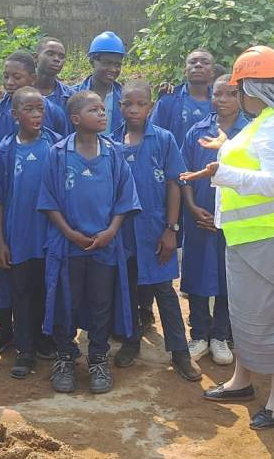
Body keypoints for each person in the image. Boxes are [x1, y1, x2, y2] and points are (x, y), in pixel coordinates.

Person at [182, 45, 274, 430]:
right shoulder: (267, 121)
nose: (237, 94)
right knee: (248, 314)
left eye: (239, 87)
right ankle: (241, 382)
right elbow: (255, 157)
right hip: (251, 237)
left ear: (254, 88)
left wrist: (221, 173)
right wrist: (225, 149)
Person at [38, 91, 141, 395]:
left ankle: (98, 359)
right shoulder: (58, 154)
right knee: (66, 303)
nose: (101, 113)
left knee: (100, 304)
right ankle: (65, 358)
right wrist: (69, 232)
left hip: (105, 245)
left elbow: (126, 197)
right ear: (75, 119)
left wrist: (111, 230)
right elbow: (48, 200)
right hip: (69, 246)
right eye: (93, 110)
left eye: (102, 109)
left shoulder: (114, 153)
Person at [110, 81, 202, 382]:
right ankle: (132, 340)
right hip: (123, 233)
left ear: (151, 107)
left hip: (156, 230)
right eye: (127, 104)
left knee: (164, 290)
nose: (133, 109)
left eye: (140, 104)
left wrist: (171, 229)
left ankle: (179, 353)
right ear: (120, 106)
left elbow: (175, 183)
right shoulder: (111, 142)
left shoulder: (163, 139)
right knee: (129, 288)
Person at [0, 51, 69, 357]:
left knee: (43, 279)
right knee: (5, 272)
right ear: (15, 116)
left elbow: (65, 156)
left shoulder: (54, 116)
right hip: (11, 217)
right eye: (5, 76)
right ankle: (6, 330)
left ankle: (42, 337)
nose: (8, 82)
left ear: (31, 79)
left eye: (16, 77)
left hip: (46, 224)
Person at [180, 75, 247, 366]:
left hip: (233, 220)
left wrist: (228, 216)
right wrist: (193, 207)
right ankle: (199, 333)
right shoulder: (198, 130)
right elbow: (182, 174)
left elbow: (251, 179)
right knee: (196, 273)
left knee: (226, 276)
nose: (221, 100)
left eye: (229, 94)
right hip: (200, 217)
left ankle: (220, 334)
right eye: (216, 94)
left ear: (240, 97)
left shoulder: (249, 134)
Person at [71, 31, 125, 134]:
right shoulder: (74, 95)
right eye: (107, 63)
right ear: (92, 62)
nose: (113, 69)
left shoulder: (124, 98)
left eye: (117, 64)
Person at [33, 37, 73, 110]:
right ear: (36, 58)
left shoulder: (71, 97)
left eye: (61, 56)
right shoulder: (17, 92)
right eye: (50, 54)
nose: (57, 59)